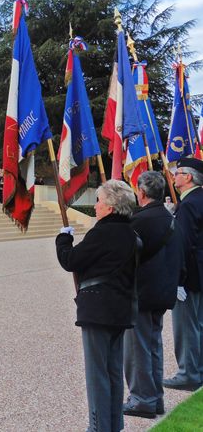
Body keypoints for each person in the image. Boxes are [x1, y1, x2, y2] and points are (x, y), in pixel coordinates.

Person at [56, 179, 139, 432]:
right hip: (119, 307)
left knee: (97, 375)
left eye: (99, 201)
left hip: (98, 308)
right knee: (113, 371)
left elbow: (71, 261)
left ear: (111, 207)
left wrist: (62, 239)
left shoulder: (103, 231)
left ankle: (98, 426)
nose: (96, 206)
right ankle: (113, 424)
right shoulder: (131, 233)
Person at [123, 171, 185, 418]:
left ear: (142, 192)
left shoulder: (139, 220)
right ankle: (155, 397)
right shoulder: (170, 217)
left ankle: (142, 399)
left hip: (142, 293)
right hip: (163, 291)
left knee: (138, 350)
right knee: (153, 346)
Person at [165, 158, 203, 392]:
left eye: (177, 173)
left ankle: (188, 373)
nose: (174, 177)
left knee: (186, 326)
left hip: (189, 275)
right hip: (200, 271)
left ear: (188, 177)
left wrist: (178, 279)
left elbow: (183, 243)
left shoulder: (188, 204)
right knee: (198, 323)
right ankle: (198, 369)